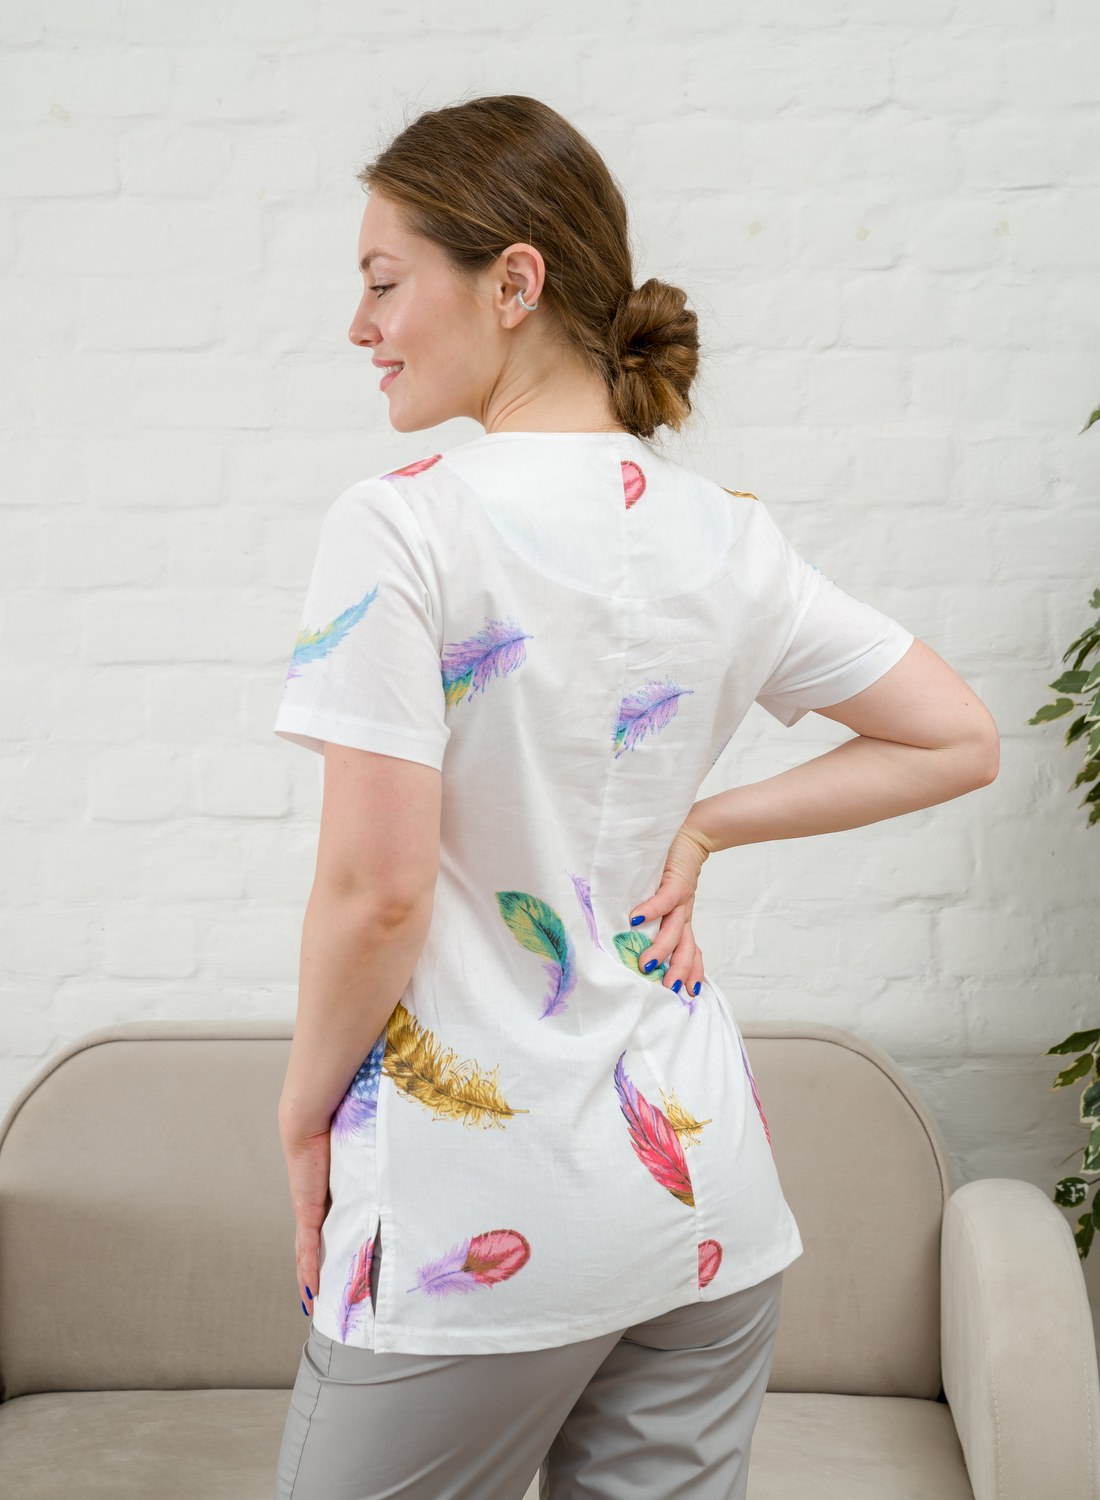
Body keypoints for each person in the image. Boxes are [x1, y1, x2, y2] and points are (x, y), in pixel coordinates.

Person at [272, 95, 998, 1500]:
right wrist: (706, 822)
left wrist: (303, 1113)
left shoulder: (404, 523)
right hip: (703, 1211)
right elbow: (957, 738)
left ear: (514, 281)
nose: (360, 326)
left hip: (474, 1214)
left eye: (383, 282)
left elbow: (378, 892)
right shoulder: (729, 535)